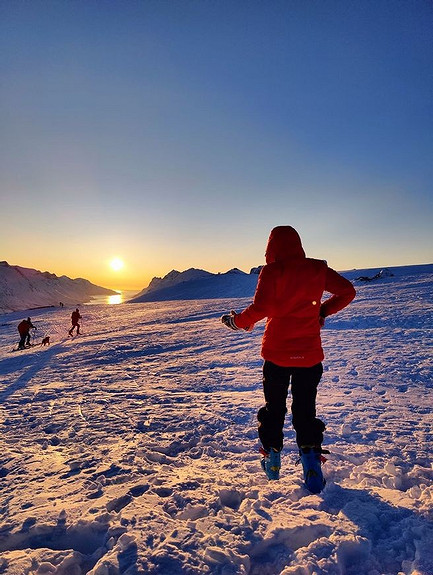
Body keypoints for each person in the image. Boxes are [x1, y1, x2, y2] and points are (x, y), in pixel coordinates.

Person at [221, 226, 356, 493]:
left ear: (271, 248)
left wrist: (237, 322)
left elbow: (261, 309)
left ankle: (272, 461)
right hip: (309, 358)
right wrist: (322, 313)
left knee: (274, 409)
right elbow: (348, 292)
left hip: (277, 356)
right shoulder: (317, 270)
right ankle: (312, 468)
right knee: (305, 411)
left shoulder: (272, 271)